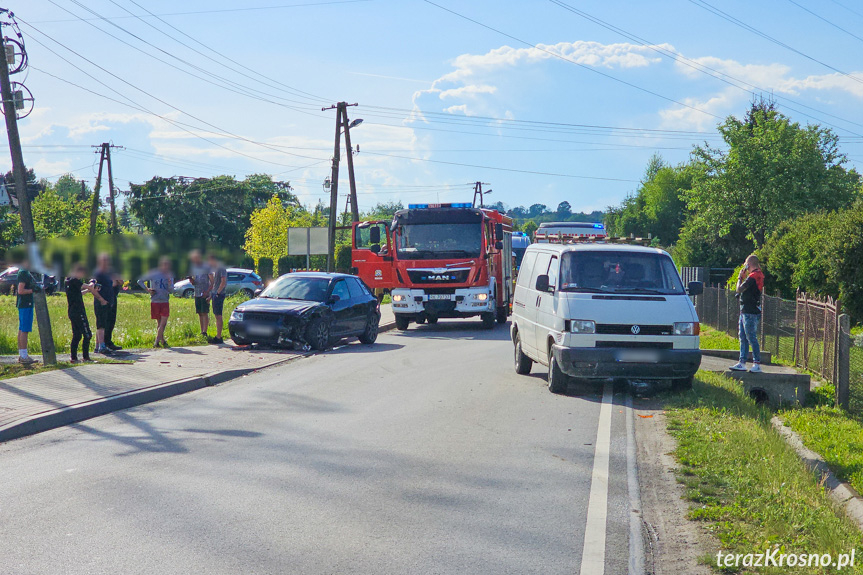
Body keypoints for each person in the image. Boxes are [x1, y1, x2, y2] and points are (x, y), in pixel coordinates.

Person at [730, 254, 765, 373]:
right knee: (743, 337)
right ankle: (742, 362)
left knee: (751, 338)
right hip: (745, 311)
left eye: (746, 264)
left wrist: (740, 278)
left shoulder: (753, 277)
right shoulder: (757, 275)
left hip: (749, 312)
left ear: (748, 265)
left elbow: (739, 289)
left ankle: (756, 363)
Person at [66, 263, 106, 363]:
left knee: (77, 335)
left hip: (72, 311)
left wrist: (88, 290)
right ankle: (86, 357)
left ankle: (74, 358)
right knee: (87, 335)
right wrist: (92, 282)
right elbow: (89, 286)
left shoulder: (68, 281)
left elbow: (78, 293)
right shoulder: (74, 280)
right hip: (78, 311)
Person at [137, 257, 174, 348]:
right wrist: (147, 289)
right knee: (159, 322)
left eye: (167, 265)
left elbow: (171, 290)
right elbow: (140, 281)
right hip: (155, 300)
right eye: (164, 265)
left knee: (163, 323)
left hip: (165, 300)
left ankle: (157, 340)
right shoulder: (154, 273)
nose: (165, 267)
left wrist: (170, 284)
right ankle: (162, 341)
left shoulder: (170, 275)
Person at [92, 253, 115, 355]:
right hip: (100, 302)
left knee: (104, 324)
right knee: (100, 324)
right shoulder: (98, 273)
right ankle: (101, 346)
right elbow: (93, 288)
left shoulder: (107, 273)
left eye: (107, 260)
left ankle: (98, 346)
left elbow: (110, 285)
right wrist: (101, 299)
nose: (106, 263)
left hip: (108, 301)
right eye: (104, 260)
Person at [15, 259, 37, 365]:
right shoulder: (24, 272)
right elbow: (20, 290)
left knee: (21, 328)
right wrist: (33, 290)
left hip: (24, 304)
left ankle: (22, 354)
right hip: (25, 304)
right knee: (25, 329)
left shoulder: (24, 271)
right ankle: (24, 356)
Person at [188, 250, 211, 340]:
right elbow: (194, 282)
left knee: (205, 312)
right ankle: (202, 331)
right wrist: (191, 280)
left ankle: (205, 332)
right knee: (200, 313)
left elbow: (211, 282)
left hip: (205, 293)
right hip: (197, 292)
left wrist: (208, 292)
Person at [207, 254, 227, 344]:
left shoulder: (221, 268)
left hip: (219, 294)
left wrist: (218, 292)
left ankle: (219, 337)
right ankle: (217, 336)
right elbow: (215, 284)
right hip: (215, 294)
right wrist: (211, 296)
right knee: (216, 315)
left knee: (218, 315)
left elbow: (223, 281)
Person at [104, 276, 123, 351]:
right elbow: (110, 284)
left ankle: (109, 341)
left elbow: (121, 282)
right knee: (106, 320)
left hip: (113, 295)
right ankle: (104, 342)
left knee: (112, 320)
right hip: (107, 295)